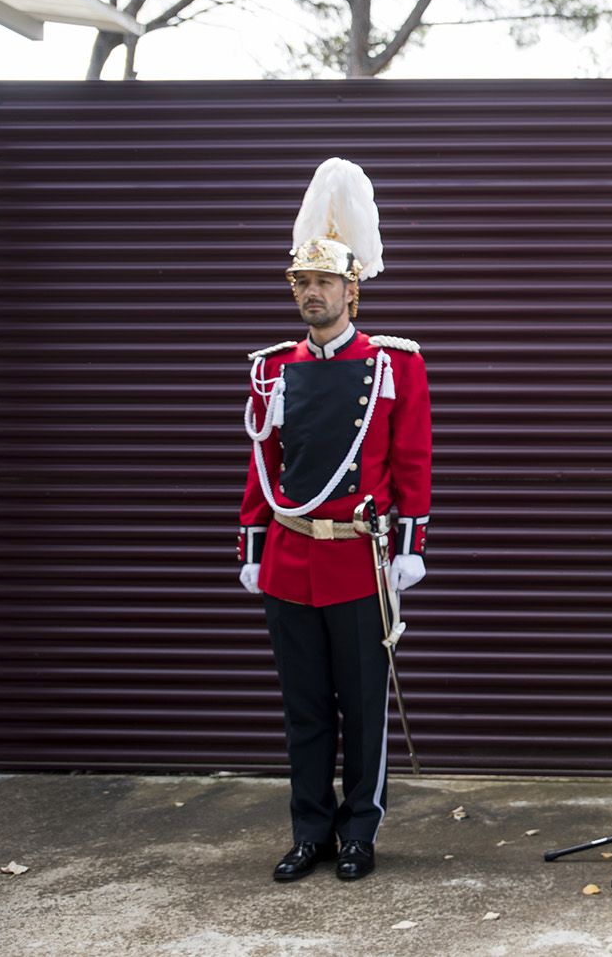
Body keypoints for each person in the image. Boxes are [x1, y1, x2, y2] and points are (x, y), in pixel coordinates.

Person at [237, 158, 432, 883]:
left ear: (351, 289)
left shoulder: (395, 365)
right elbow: (263, 467)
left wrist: (409, 544)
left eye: (321, 282)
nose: (309, 294)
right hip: (291, 559)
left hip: (357, 559)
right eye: (300, 283)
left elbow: (413, 462)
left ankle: (360, 832)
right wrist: (253, 543)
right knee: (305, 710)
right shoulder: (270, 370)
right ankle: (309, 829)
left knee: (362, 710)